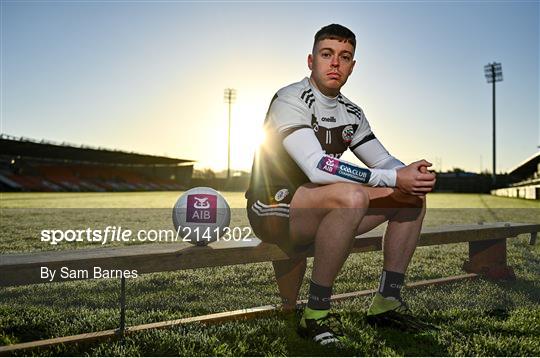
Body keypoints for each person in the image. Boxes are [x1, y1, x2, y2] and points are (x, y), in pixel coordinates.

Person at [245, 24, 436, 346]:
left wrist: (411, 174)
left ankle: (386, 303)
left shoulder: (351, 111)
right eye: (327, 54)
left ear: (352, 66)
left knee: (411, 197)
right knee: (351, 195)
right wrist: (393, 178)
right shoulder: (290, 98)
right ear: (311, 60)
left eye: (344, 56)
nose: (335, 63)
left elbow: (383, 161)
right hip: (274, 207)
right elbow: (316, 167)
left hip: (325, 203)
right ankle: (316, 315)